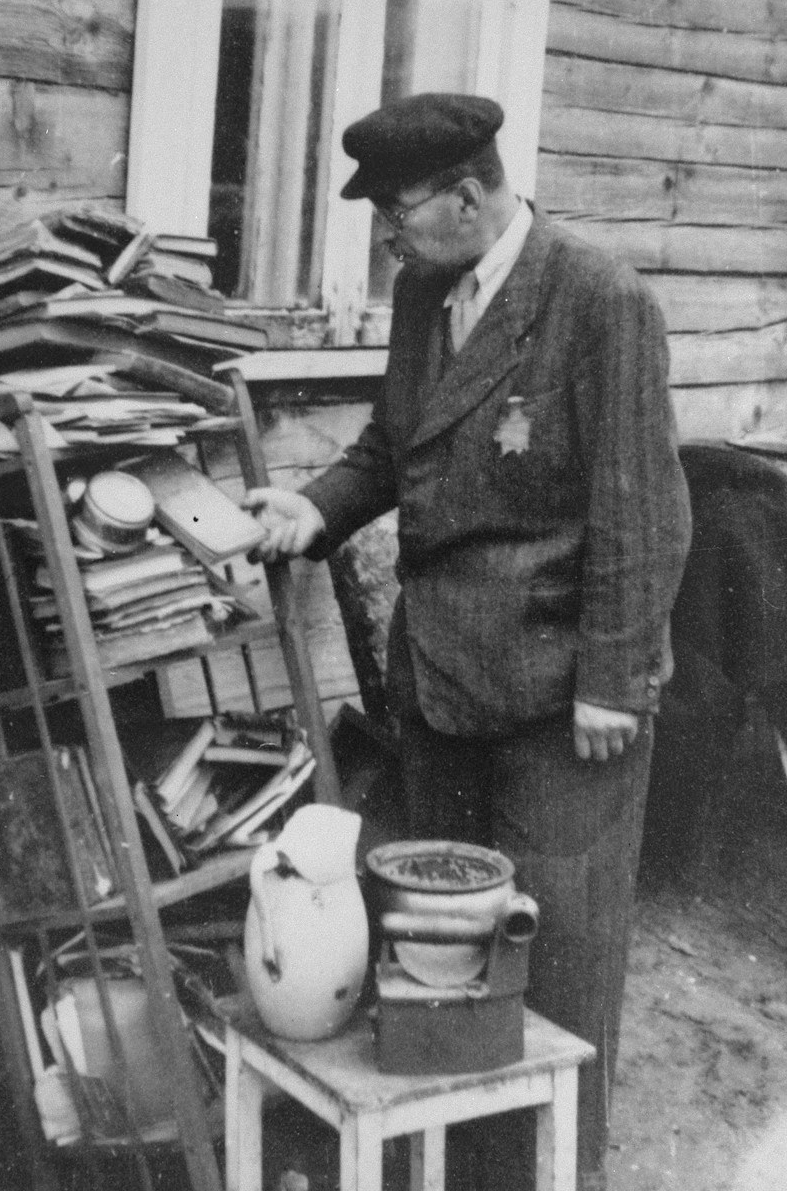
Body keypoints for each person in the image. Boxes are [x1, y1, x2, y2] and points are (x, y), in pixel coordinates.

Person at [243, 93, 692, 1191]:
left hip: (560, 699)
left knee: (557, 961)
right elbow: (392, 448)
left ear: (470, 194)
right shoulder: (421, 293)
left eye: (398, 213)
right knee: (436, 962)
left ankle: (551, 1172)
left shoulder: (598, 299)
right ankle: (447, 1167)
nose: (387, 237)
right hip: (440, 680)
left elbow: (644, 506)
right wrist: (316, 510)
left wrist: (615, 682)